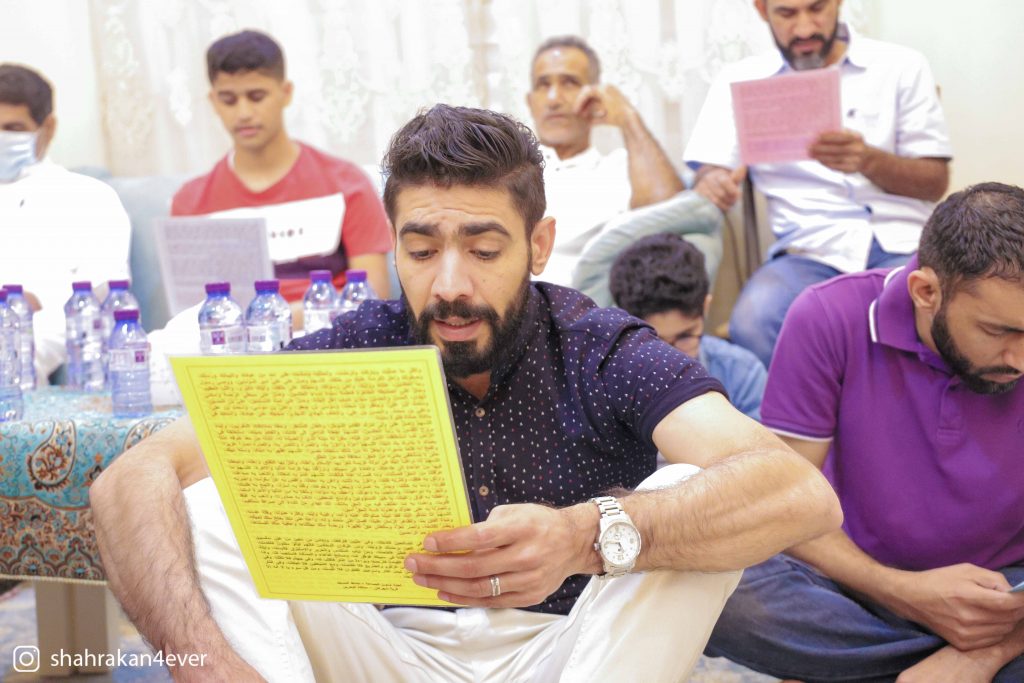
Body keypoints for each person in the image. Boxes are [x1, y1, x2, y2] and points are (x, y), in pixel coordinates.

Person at [91, 104, 840, 682]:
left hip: (574, 656)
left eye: (483, 249)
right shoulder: (355, 346)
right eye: (421, 250)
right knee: (210, 498)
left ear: (538, 246)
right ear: (393, 244)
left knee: (684, 492)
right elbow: (131, 480)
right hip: (386, 655)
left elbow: (797, 491)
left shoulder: (599, 347)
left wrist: (587, 534)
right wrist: (204, 663)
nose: (449, 284)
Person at [705, 182, 1024, 682]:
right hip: (861, 583)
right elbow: (780, 505)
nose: (1020, 358)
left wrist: (989, 649)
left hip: (1005, 598)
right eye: (998, 331)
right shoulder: (828, 317)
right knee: (716, 589)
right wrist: (903, 592)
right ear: (926, 292)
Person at [684, 0, 952, 367]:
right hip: (808, 251)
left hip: (902, 245)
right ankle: (818, 408)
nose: (805, 29)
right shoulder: (741, 80)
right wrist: (713, 180)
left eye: (817, 8)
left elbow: (935, 181)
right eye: (787, 13)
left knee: (945, 311)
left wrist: (868, 160)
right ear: (762, 10)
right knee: (754, 319)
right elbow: (709, 169)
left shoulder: (901, 66)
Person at [172, 30, 392, 301]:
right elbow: (190, 310)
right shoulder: (190, 203)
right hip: (236, 330)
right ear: (214, 102)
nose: (243, 113)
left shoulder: (347, 184)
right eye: (229, 100)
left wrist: (281, 316)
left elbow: (374, 297)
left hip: (331, 328)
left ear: (286, 93)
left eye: (257, 96)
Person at [526, 35, 721, 287]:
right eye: (543, 85)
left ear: (593, 95)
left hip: (587, 302)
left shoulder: (617, 170)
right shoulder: (508, 171)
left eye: (570, 83)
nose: (554, 99)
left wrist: (628, 118)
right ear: (530, 102)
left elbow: (671, 221)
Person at [0, 63, 131, 379]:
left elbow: (98, 304)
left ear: (48, 128)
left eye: (12, 129)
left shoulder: (88, 198)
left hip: (30, 355)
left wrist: (24, 313)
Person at [608, 233, 766, 421]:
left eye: (685, 336)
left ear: (705, 307)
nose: (671, 361)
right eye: (653, 342)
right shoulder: (604, 383)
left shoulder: (741, 373)